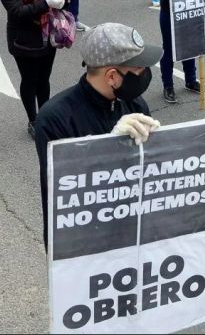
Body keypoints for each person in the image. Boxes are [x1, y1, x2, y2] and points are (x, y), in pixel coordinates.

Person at [34, 22, 163, 246]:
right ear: (112, 76)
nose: (145, 73)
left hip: (127, 228)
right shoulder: (55, 118)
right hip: (81, 242)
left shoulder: (134, 104)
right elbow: (66, 189)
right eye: (138, 68)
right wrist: (110, 144)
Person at [0, 0, 68, 138]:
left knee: (44, 79)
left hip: (47, 36)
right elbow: (18, 11)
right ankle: (33, 119)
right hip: (24, 40)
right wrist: (45, 3)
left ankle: (44, 116)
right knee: (29, 80)